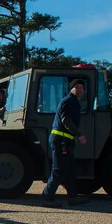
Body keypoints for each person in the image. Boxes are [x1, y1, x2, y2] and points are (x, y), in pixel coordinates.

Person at [42, 78, 90, 208]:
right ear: (72, 88)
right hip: (61, 140)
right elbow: (66, 120)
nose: (80, 89)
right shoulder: (69, 101)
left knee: (69, 170)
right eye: (77, 87)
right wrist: (79, 135)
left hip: (66, 140)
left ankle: (73, 197)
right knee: (59, 170)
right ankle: (47, 197)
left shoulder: (73, 101)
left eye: (82, 87)